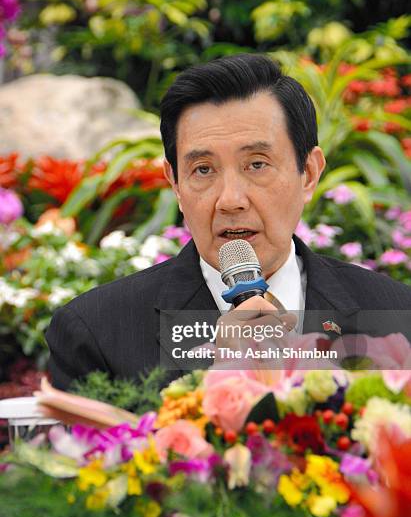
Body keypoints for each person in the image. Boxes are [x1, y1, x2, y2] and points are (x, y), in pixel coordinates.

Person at [46, 54, 411, 390]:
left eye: (257, 164)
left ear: (309, 173)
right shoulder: (96, 332)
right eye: (203, 170)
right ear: (174, 182)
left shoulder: (396, 315)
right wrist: (223, 377)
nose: (231, 200)